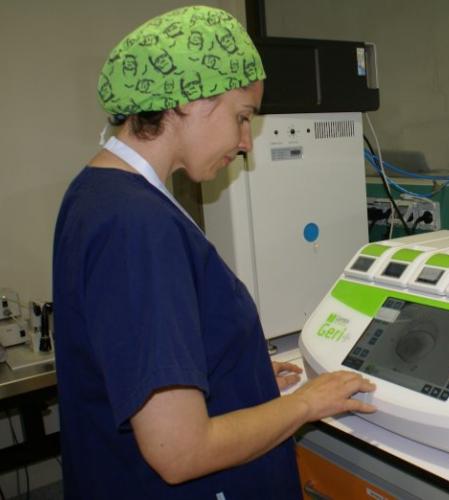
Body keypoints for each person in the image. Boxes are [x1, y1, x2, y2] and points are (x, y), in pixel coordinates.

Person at [52, 6, 376, 499]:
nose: (246, 143)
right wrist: (307, 403)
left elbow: (137, 360)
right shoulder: (137, 225)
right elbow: (179, 452)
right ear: (190, 99)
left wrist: (236, 375)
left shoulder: (96, 192)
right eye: (242, 117)